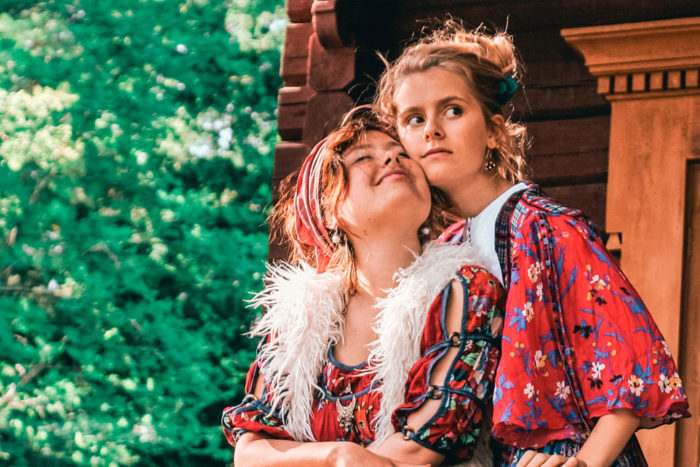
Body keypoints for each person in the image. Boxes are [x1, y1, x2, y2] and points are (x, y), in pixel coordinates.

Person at [374, 22, 690, 467]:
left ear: (493, 131)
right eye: (414, 118)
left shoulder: (548, 228)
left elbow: (631, 366)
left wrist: (584, 463)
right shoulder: (444, 249)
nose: (432, 130)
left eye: (453, 110)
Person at [221, 107, 506, 466]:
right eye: (363, 157)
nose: (392, 158)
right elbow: (251, 452)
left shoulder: (465, 291)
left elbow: (422, 448)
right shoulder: (296, 321)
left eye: (401, 153)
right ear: (328, 209)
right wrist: (336, 455)